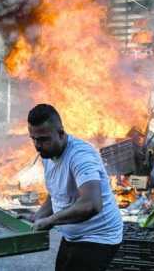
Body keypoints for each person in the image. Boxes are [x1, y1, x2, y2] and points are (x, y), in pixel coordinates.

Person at [23, 104, 122, 271]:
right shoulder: (48, 152)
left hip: (98, 237)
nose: (37, 145)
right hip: (72, 236)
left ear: (61, 133)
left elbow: (91, 204)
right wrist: (39, 216)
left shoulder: (80, 156)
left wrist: (50, 221)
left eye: (43, 139)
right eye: (33, 139)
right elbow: (57, 193)